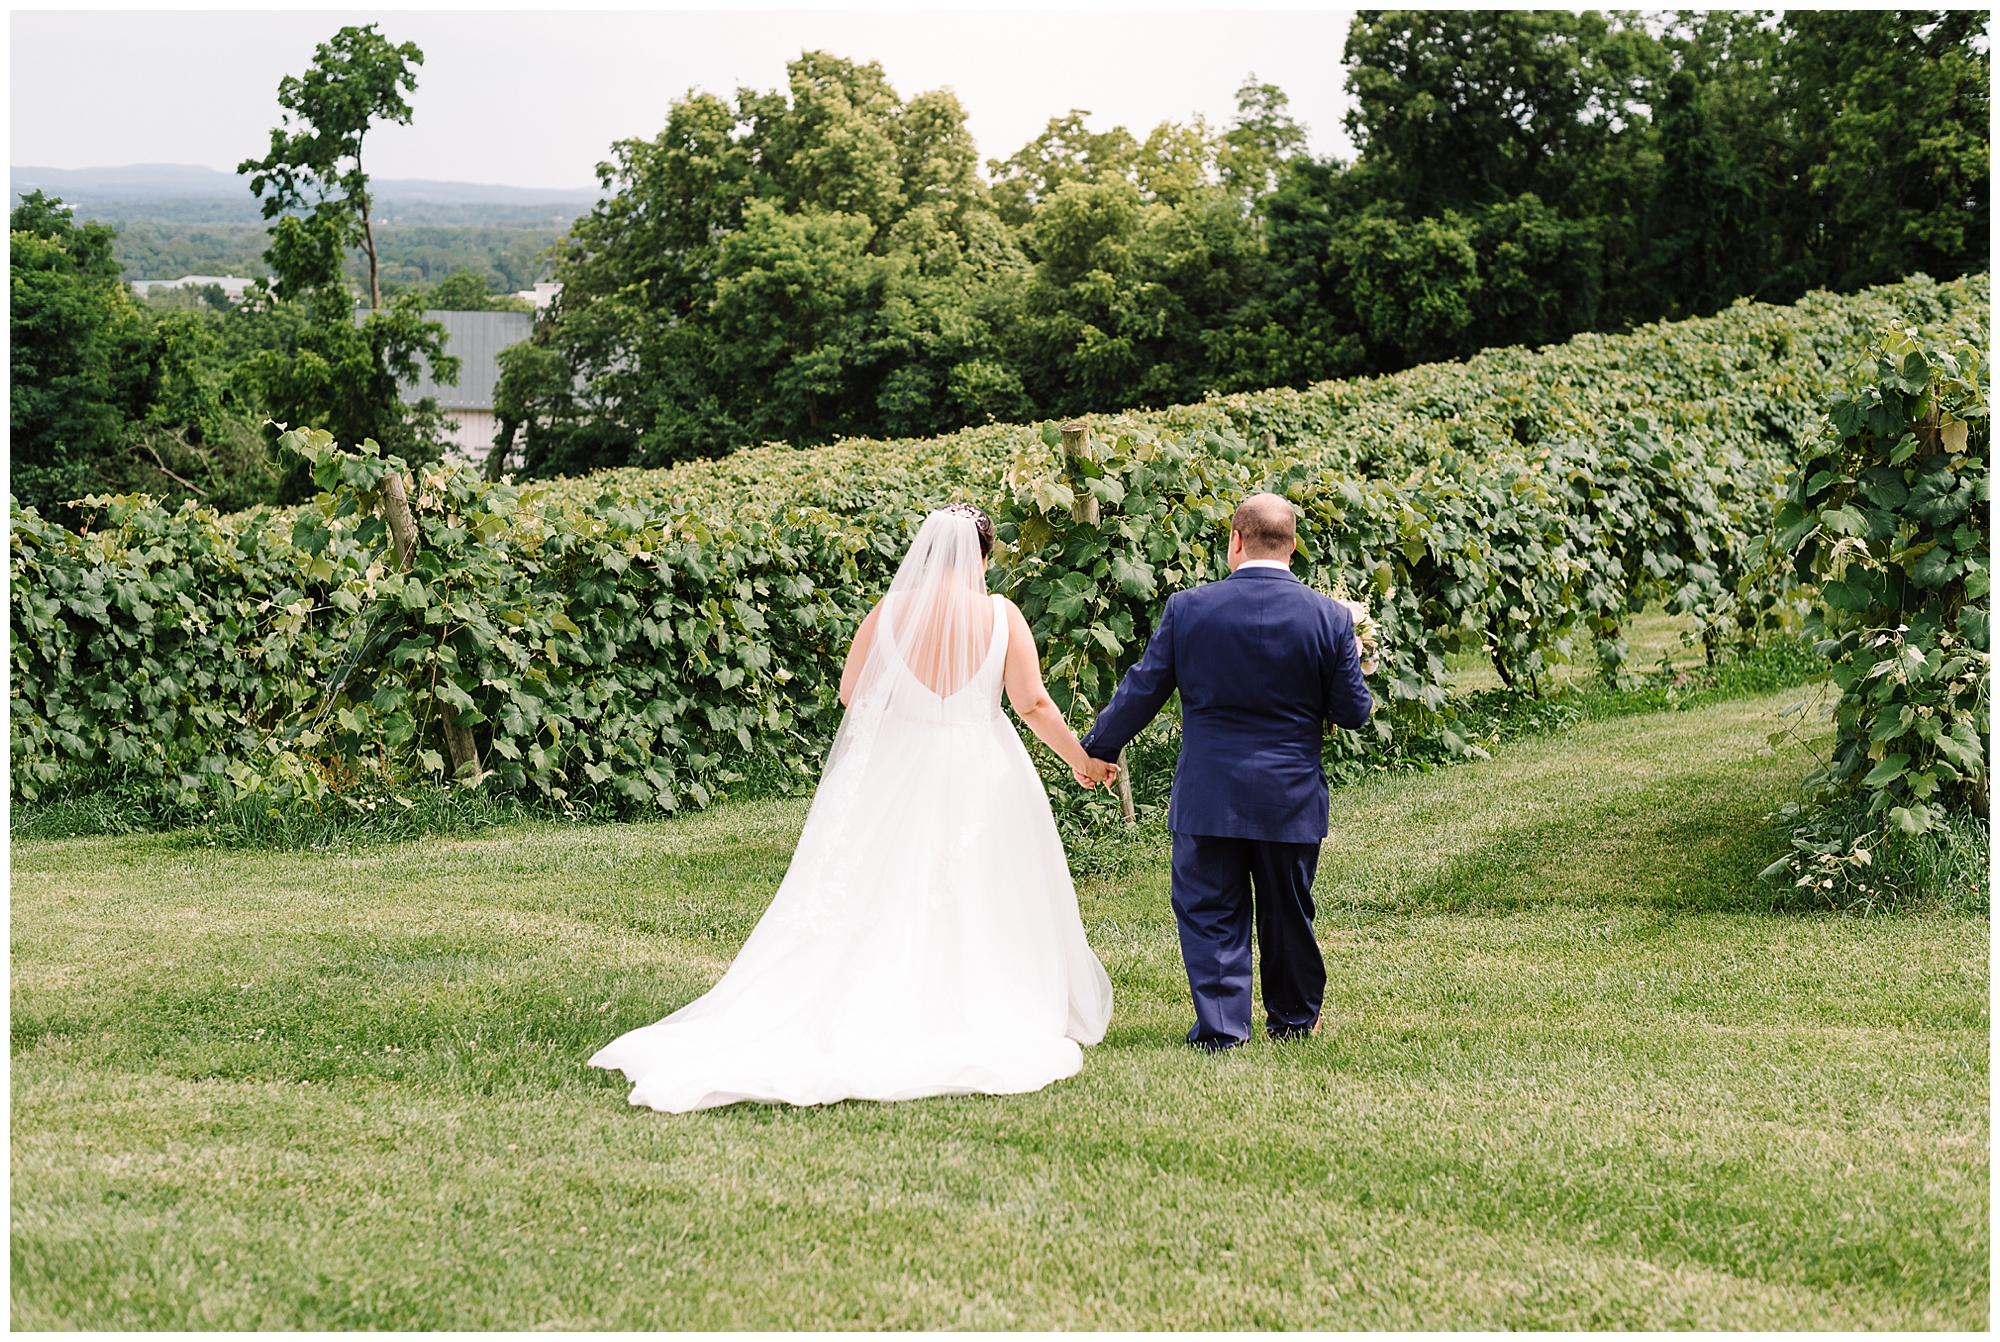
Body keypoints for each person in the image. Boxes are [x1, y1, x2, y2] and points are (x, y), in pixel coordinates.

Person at [591, 504, 1116, 1112]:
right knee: (986, 885)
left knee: (884, 881)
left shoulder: (890, 613)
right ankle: (983, 994)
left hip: (900, 765)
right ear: (980, 556)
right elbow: (1033, 705)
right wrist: (1081, 759)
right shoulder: (1001, 615)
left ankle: (873, 994)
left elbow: (851, 692)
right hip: (982, 768)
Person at [1079, 493, 1373, 1050]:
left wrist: (1099, 749)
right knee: (1289, 912)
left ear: (1235, 540)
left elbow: (1143, 689)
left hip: (1210, 793)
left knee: (1211, 909)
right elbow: (1352, 713)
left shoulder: (1190, 608)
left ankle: (1223, 1027)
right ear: (1292, 547)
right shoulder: (1331, 617)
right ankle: (1293, 1020)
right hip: (1290, 795)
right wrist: (1358, 661)